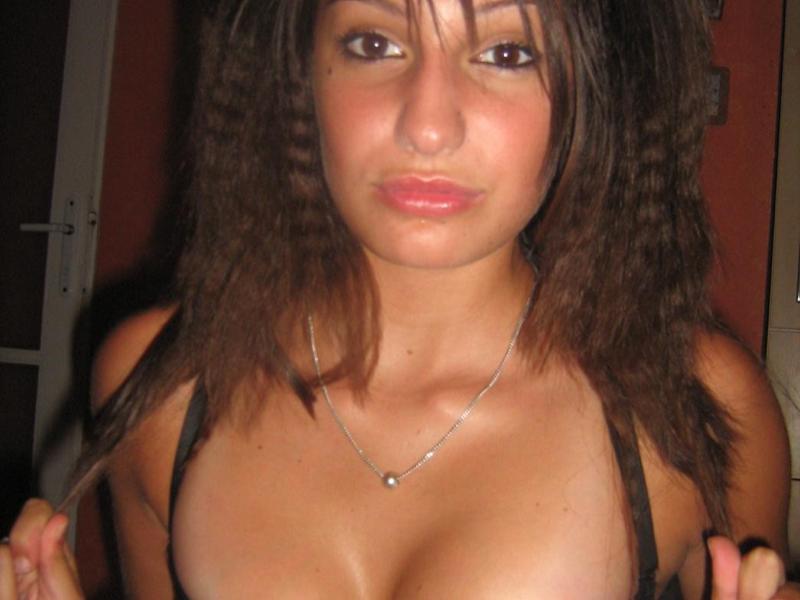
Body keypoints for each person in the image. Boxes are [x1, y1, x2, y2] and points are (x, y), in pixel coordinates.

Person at [1, 0, 797, 597]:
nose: (428, 125)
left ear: (590, 88)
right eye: (375, 43)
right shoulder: (165, 386)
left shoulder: (689, 409)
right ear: (299, 72)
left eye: (507, 53)